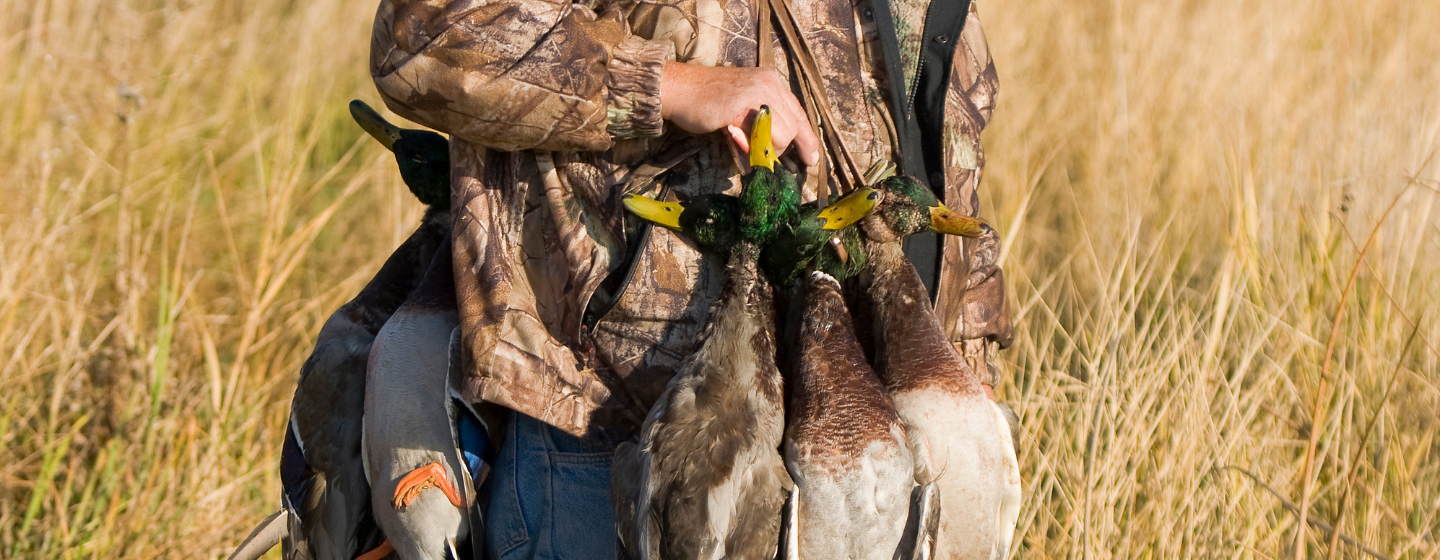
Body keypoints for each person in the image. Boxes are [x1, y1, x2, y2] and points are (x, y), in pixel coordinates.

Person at [368, 0, 1012, 558]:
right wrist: (667, 87)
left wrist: (964, 373)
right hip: (625, 444)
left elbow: (948, 151)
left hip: (869, 471)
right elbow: (424, 36)